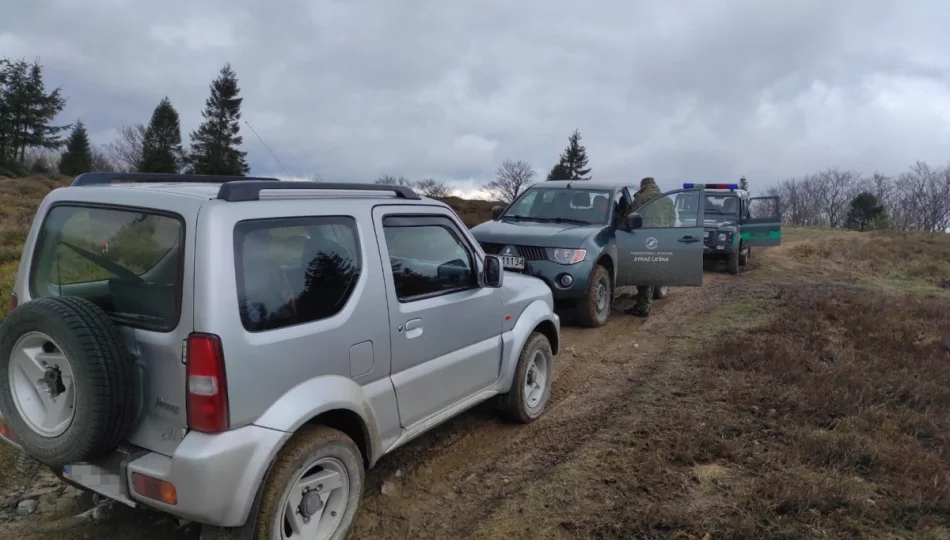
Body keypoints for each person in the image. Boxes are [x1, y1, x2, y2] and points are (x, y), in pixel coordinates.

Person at [624, 177, 673, 318]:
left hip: (645, 239)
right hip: (663, 240)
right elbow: (672, 221)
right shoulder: (667, 200)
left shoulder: (641, 198)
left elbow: (628, 216)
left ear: (643, 186)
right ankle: (647, 300)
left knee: (644, 272)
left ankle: (643, 307)